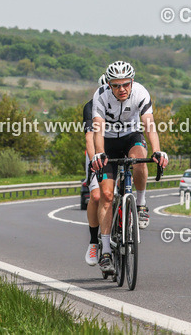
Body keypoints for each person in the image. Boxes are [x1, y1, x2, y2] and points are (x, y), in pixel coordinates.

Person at [90, 60, 168, 275]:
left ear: (132, 82)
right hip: (108, 141)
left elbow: (149, 124)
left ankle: (141, 204)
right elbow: (98, 129)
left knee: (140, 158)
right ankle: (106, 252)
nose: (122, 89)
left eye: (126, 84)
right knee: (106, 195)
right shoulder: (101, 95)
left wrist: (157, 151)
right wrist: (99, 153)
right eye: (116, 85)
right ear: (109, 85)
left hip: (131, 136)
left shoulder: (141, 92)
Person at [81, 74, 109, 266]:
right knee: (97, 196)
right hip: (96, 153)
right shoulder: (91, 106)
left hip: (116, 150)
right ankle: (93, 242)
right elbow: (89, 138)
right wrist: (94, 161)